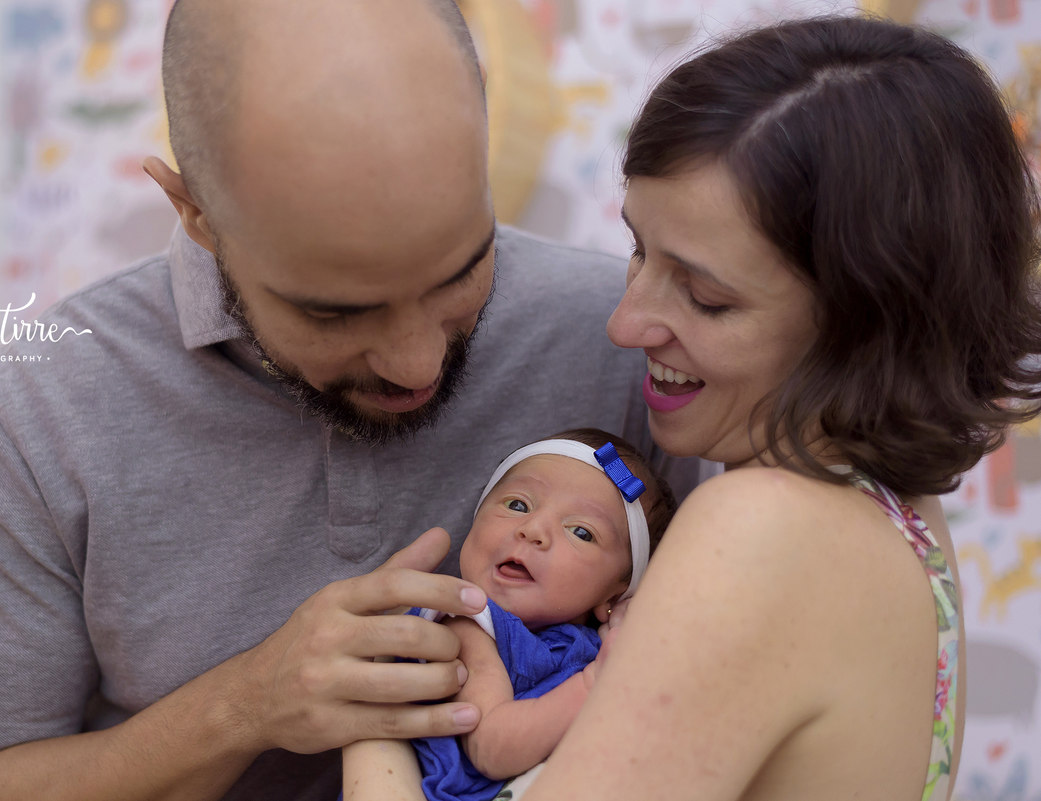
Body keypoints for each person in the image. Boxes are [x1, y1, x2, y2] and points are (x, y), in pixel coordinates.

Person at [0, 1, 697, 800]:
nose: (416, 362)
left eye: (461, 273)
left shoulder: (627, 338)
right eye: (334, 312)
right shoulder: (38, 411)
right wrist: (244, 704)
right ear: (195, 215)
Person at [345, 14, 1041, 801]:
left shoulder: (759, 526)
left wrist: (373, 725)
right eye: (639, 249)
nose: (626, 322)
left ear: (865, 320)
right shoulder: (895, 518)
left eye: (706, 297)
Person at [341, 429, 677, 801]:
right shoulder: (470, 624)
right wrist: (597, 682)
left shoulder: (598, 643)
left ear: (613, 594)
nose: (532, 530)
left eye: (581, 531)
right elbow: (491, 748)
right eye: (518, 505)